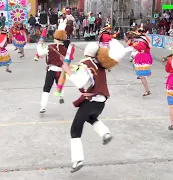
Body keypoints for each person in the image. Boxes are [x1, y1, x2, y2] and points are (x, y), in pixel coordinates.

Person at [61, 39, 132, 173]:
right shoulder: (99, 64)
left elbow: (81, 83)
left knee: (75, 130)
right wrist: (70, 68)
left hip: (90, 101)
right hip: (101, 102)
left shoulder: (86, 64)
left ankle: (77, 160)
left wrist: (67, 70)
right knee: (91, 118)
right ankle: (105, 133)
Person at [38, 18, 74, 113]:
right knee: (60, 84)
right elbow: (69, 60)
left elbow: (40, 54)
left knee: (46, 88)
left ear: (54, 37)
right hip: (61, 71)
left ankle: (43, 106)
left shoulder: (49, 47)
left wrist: (40, 44)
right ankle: (61, 95)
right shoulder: (66, 49)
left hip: (51, 70)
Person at [126, 25, 153, 96]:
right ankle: (140, 75)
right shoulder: (144, 38)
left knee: (142, 76)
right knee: (133, 62)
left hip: (143, 57)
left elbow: (140, 47)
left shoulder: (142, 40)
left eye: (139, 31)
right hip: (142, 55)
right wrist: (131, 42)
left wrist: (131, 43)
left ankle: (147, 90)